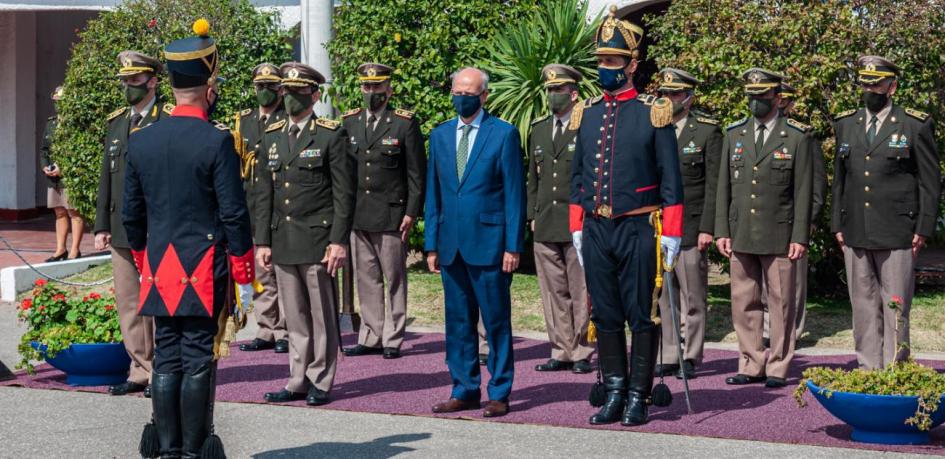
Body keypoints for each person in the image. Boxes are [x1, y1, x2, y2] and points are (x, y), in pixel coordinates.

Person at [123, 20, 255, 457]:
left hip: (160, 264)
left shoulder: (141, 141)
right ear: (208, 84)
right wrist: (243, 273)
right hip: (203, 264)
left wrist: (145, 261)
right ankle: (194, 449)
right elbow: (234, 213)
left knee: (167, 354)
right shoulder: (216, 141)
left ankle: (165, 446)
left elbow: (132, 215)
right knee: (198, 355)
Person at [570, 6, 683, 427]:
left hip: (640, 227)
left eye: (612, 61)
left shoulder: (654, 112)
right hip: (597, 226)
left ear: (632, 65)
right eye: (601, 60)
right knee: (606, 312)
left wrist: (671, 232)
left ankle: (639, 393)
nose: (605, 68)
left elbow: (671, 181)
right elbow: (577, 176)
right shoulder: (588, 112)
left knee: (641, 313)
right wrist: (577, 226)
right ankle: (614, 390)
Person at [425, 67, 525, 418]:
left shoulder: (504, 134)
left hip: (490, 245)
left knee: (496, 321)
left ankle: (499, 391)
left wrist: (513, 246)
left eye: (469, 92)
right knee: (457, 322)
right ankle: (464, 388)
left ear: (484, 95)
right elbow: (433, 194)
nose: (461, 97)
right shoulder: (439, 136)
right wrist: (431, 245)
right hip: (451, 245)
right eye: (457, 90)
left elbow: (515, 195)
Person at [831, 55, 942, 369]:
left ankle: (895, 369)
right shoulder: (845, 123)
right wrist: (837, 223)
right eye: (865, 83)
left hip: (898, 231)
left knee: (895, 306)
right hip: (855, 230)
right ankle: (869, 368)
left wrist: (923, 227)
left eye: (876, 83)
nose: (869, 89)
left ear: (891, 86)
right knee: (862, 306)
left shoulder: (914, 124)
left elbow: (930, 182)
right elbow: (841, 179)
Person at [256, 62, 355, 406]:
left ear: (313, 95)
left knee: (321, 315)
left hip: (317, 239)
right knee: (294, 315)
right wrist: (262, 241)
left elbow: (344, 193)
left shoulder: (330, 133)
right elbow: (264, 193)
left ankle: (321, 379)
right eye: (286, 92)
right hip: (282, 238)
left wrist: (339, 241)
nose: (290, 98)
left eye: (298, 93)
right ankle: (297, 378)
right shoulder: (272, 135)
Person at [715, 68, 814, 388]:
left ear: (776, 97)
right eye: (751, 96)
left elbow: (803, 192)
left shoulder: (797, 136)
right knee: (744, 301)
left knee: (781, 302)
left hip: (779, 234)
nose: (755, 101)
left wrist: (800, 235)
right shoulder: (734, 134)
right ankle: (750, 361)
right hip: (741, 231)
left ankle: (778, 365)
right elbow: (723, 188)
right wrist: (722, 230)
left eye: (762, 96)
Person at [94, 50, 174, 397]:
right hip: (123, 227)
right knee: (129, 301)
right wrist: (101, 225)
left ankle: (162, 369)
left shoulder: (166, 119)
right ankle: (139, 369)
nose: (128, 85)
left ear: (153, 81)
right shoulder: (118, 123)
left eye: (135, 80)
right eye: (125, 80)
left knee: (157, 299)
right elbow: (107, 180)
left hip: (156, 227)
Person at [342, 62, 426, 360]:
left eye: (377, 86)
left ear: (389, 90)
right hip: (359, 214)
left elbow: (417, 173)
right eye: (366, 86)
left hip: (392, 214)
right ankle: (371, 334)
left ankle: (393, 336)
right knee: (366, 278)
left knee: (395, 278)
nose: (371, 92)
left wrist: (411, 212)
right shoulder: (350, 122)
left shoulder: (404, 123)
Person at [653, 68, 722, 380]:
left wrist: (709, 227)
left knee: (693, 297)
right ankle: (669, 353)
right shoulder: (653, 126)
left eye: (676, 94)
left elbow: (714, 186)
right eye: (665, 94)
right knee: (664, 297)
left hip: (692, 227)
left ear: (690, 98)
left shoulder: (707, 131)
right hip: (659, 227)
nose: (669, 99)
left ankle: (691, 355)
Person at [526, 64, 593, 374]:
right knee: (553, 291)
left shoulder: (587, 125)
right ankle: (560, 349)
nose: (553, 95)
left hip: (579, 221)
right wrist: (532, 216)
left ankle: (582, 350)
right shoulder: (539, 128)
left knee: (580, 290)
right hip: (547, 220)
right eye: (550, 90)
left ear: (573, 93)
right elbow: (533, 180)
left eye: (559, 90)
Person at [760, 82, 826, 346]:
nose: (781, 106)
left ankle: (792, 331)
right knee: (765, 283)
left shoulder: (803, 136)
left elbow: (816, 184)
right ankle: (767, 330)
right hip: (766, 217)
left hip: (793, 220)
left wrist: (809, 220)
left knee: (793, 284)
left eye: (785, 101)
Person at [235, 63, 289, 355]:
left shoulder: (287, 118)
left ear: (280, 90)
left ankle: (285, 329)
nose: (265, 92)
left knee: (280, 270)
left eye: (270, 86)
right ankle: (266, 328)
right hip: (251, 205)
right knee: (260, 273)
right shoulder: (243, 120)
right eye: (260, 87)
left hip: (280, 206)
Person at [41, 86, 85, 262]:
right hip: (54, 178)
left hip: (70, 176)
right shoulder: (51, 123)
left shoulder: (76, 123)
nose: (59, 105)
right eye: (57, 102)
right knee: (59, 212)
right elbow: (44, 149)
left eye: (63, 101)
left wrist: (65, 168)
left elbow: (80, 150)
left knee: (74, 212)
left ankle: (75, 250)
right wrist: (45, 166)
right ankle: (60, 249)